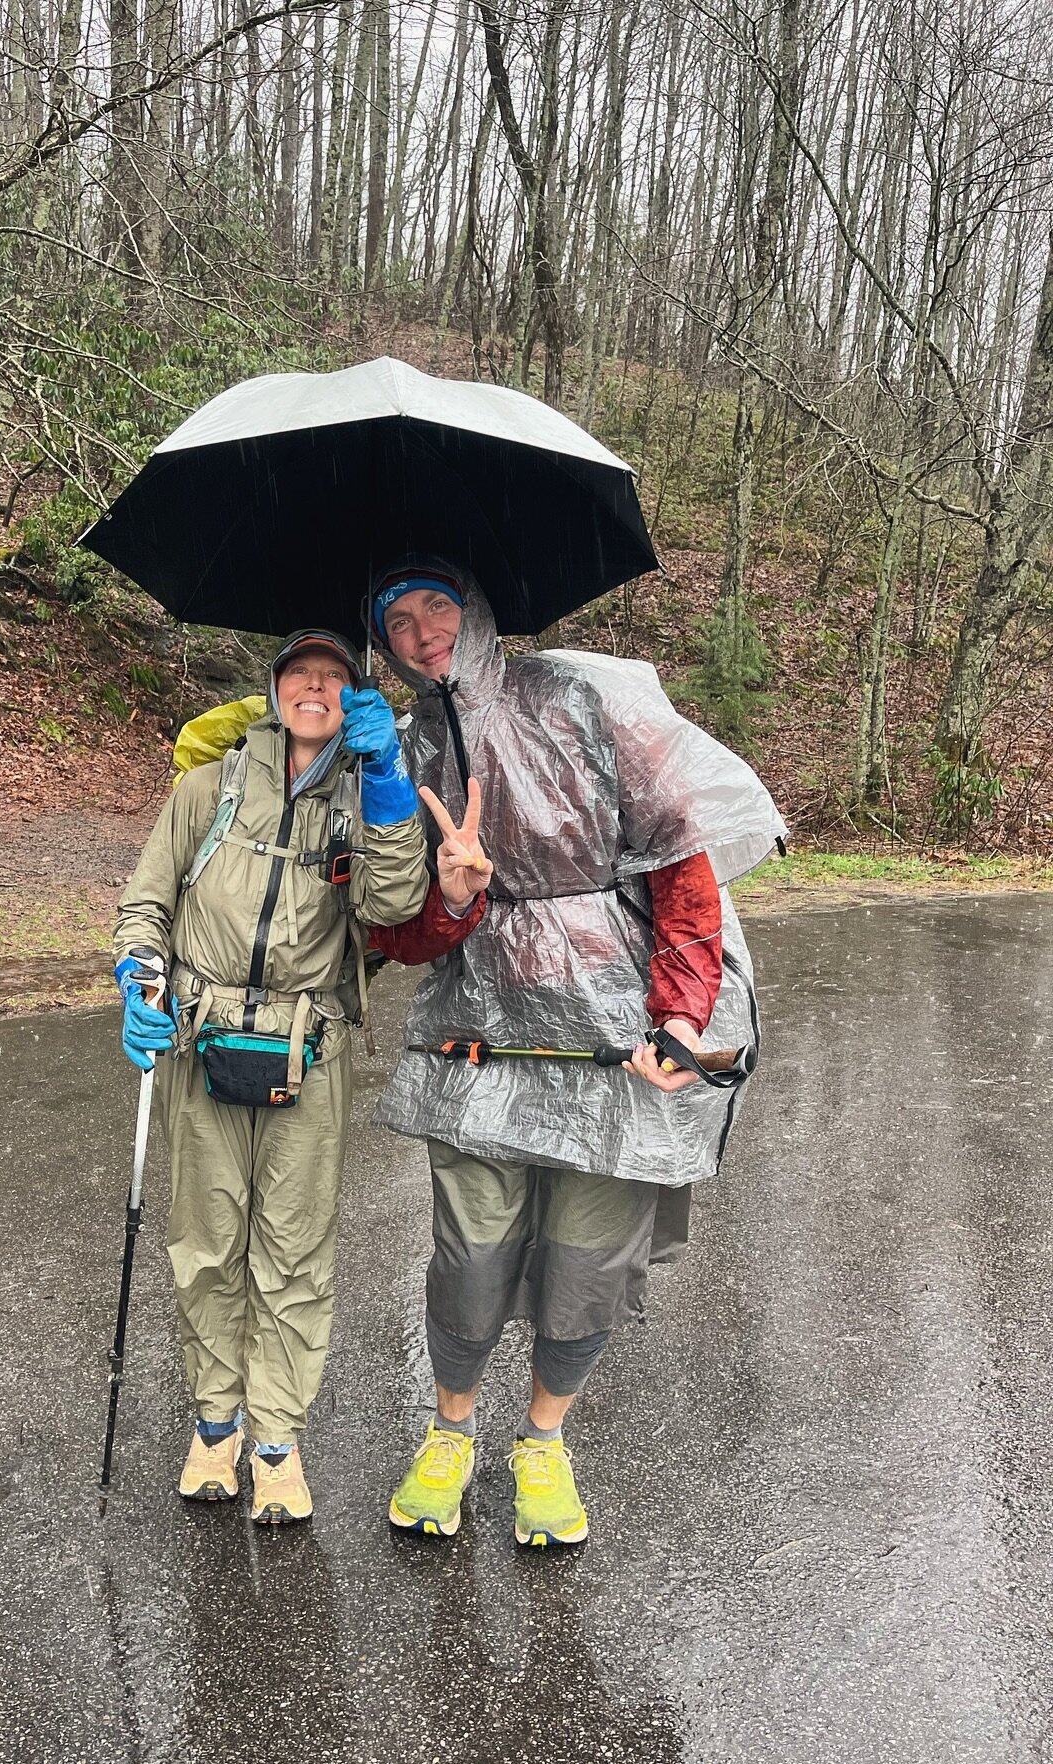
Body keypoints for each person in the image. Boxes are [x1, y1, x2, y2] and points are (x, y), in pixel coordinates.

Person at [364, 560, 786, 1550]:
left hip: (615, 1035)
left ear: (477, 609)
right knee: (469, 1250)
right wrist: (457, 894)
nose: (421, 632)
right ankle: (451, 1430)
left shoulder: (581, 694)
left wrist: (681, 1013)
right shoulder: (410, 747)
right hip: (477, 1034)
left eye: (437, 606)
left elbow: (681, 857)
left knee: (588, 1255)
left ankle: (544, 1441)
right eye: (397, 620)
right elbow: (403, 936)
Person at [114, 628, 478, 1526]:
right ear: (274, 687)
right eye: (298, 674)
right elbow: (147, 901)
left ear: (353, 694)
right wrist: (137, 978)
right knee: (205, 1241)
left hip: (310, 1051)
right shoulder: (209, 787)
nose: (314, 688)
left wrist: (389, 778)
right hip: (202, 1043)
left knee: (292, 1250)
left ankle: (276, 1440)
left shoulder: (361, 802)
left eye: (333, 676)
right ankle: (215, 1423)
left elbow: (393, 906)